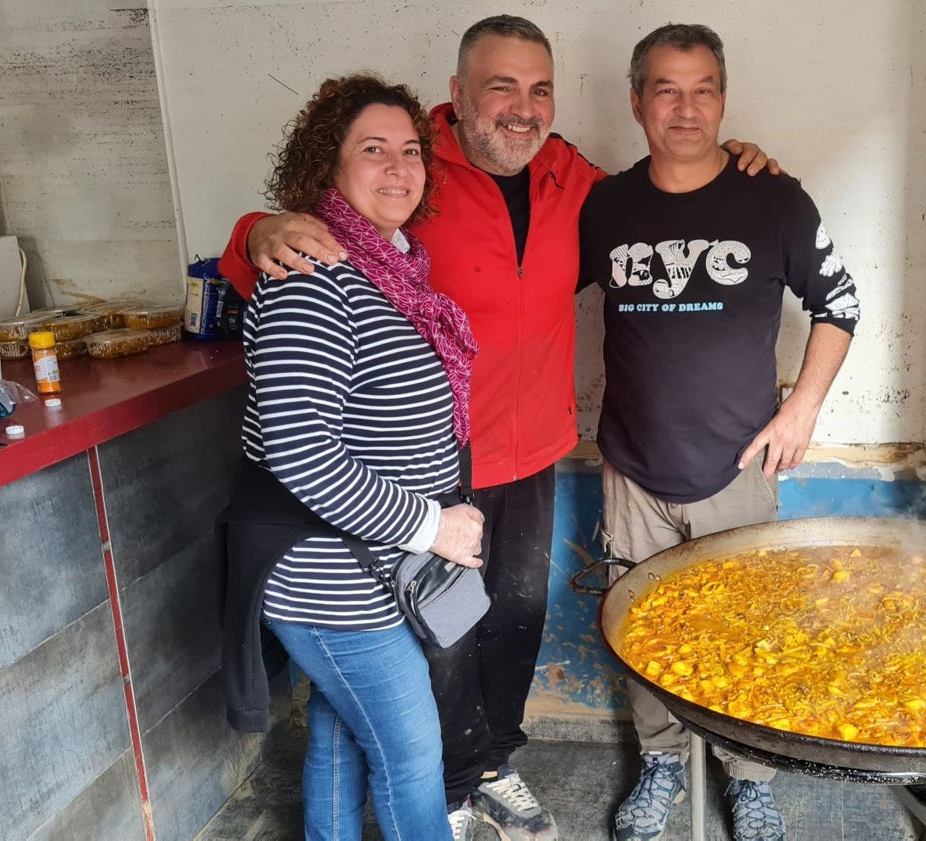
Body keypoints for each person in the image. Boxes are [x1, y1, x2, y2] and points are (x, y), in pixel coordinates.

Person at [217, 17, 777, 840]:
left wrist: (738, 164)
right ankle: (440, 783)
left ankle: (491, 764)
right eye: (500, 88)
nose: (522, 109)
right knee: (433, 639)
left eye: (539, 89)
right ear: (457, 96)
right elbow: (286, 253)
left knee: (514, 617)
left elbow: (666, 200)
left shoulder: (573, 181)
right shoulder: (412, 174)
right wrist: (255, 229)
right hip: (426, 470)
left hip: (534, 447)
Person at [577, 23, 860, 841]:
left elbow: (839, 305)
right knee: (640, 629)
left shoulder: (775, 199)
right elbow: (527, 292)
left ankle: (749, 777)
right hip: (632, 466)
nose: (686, 107)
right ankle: (661, 762)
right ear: (636, 102)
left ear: (724, 98)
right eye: (666, 89)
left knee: (749, 628)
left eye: (703, 89)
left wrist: (800, 408)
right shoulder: (605, 205)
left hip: (739, 464)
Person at [218, 74, 486, 840]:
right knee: (409, 756)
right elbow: (303, 455)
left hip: (368, 563)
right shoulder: (312, 277)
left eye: (410, 150)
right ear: (326, 167)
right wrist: (431, 526)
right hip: (328, 576)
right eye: (373, 150)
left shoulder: (391, 269)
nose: (399, 167)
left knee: (341, 730)